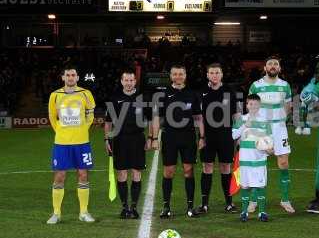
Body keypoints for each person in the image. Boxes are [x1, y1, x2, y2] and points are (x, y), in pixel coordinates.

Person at [152, 64, 205, 218]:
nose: (178, 77)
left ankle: (190, 206)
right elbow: (157, 118)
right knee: (169, 172)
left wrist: (202, 137)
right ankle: (166, 207)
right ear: (171, 76)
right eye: (175, 74)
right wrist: (154, 138)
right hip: (170, 137)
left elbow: (199, 118)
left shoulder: (192, 94)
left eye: (181, 74)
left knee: (189, 170)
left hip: (188, 137)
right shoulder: (163, 95)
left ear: (185, 75)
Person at [47, 64, 96, 224]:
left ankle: (83, 212)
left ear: (77, 77)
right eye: (67, 75)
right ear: (63, 78)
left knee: (83, 174)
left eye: (73, 75)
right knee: (60, 176)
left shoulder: (86, 93)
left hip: (82, 142)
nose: (70, 78)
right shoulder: (55, 95)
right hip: (62, 143)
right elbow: (52, 117)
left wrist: (83, 128)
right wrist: (60, 131)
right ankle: (56, 213)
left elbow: (90, 114)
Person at [248, 55, 295, 214]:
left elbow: (288, 106)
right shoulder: (256, 86)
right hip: (261, 129)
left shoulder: (285, 86)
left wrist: (280, 120)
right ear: (265, 68)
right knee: (257, 164)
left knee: (283, 163)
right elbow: (251, 107)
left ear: (279, 68)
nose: (273, 66)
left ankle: (285, 199)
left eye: (276, 64)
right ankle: (253, 201)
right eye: (270, 64)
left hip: (279, 129)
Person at [104, 69, 152, 219]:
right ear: (122, 81)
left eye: (131, 80)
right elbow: (108, 122)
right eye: (126, 80)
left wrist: (150, 137)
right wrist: (107, 140)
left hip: (138, 139)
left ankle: (134, 207)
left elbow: (150, 119)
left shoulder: (143, 98)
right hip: (119, 139)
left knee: (136, 173)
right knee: (122, 173)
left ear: (135, 81)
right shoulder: (114, 98)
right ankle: (125, 207)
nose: (129, 83)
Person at [196, 63, 240, 214]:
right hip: (207, 137)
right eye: (212, 73)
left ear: (221, 75)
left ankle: (229, 203)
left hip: (225, 136)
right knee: (207, 167)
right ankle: (204, 204)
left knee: (225, 168)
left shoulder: (229, 91)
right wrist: (201, 137)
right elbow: (199, 117)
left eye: (217, 72)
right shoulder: (201, 92)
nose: (214, 75)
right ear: (207, 75)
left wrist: (239, 133)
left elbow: (236, 114)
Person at [232, 94, 273, 222]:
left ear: (259, 105)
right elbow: (233, 136)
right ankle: (244, 212)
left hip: (259, 160)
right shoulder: (242, 119)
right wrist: (245, 125)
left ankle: (262, 212)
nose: (253, 106)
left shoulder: (265, 122)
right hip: (245, 160)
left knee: (260, 186)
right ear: (247, 105)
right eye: (250, 104)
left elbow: (270, 141)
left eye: (255, 104)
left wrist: (269, 150)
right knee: (245, 186)